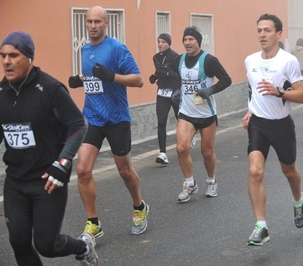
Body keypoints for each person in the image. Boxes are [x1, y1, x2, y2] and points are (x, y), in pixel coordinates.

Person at [0, 32, 98, 265]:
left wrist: (62, 163)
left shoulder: (50, 88)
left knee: (47, 245)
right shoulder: (2, 92)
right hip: (15, 180)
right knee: (19, 242)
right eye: (3, 56)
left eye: (13, 55)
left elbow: (78, 124)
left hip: (47, 178)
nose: (6, 61)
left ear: (29, 58)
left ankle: (83, 246)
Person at [68, 6, 149, 238]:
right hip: (93, 117)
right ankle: (94, 222)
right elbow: (95, 78)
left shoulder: (117, 49)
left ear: (106, 24)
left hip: (116, 119)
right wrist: (81, 81)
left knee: (125, 171)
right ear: (86, 23)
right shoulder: (83, 49)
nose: (93, 26)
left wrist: (111, 76)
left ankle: (139, 207)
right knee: (83, 170)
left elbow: (139, 80)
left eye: (97, 22)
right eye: (89, 21)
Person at [242, 14, 303, 246]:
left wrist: (279, 92)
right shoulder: (250, 60)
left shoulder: (288, 61)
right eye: (259, 30)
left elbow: (302, 95)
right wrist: (250, 109)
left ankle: (298, 201)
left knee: (290, 172)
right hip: (258, 124)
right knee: (255, 172)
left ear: (278, 34)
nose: (262, 34)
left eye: (267, 30)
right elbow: (253, 90)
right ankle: (262, 226)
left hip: (281, 125)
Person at [170, 26, 231, 202]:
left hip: (206, 114)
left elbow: (227, 80)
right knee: (181, 148)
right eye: (185, 40)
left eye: (191, 40)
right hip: (186, 112)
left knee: (207, 152)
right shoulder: (179, 60)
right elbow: (180, 80)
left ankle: (211, 181)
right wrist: (177, 91)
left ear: (198, 41)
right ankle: (189, 183)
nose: (187, 43)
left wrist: (210, 90)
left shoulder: (209, 60)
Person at [149, 33, 180, 164]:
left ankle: (189, 137)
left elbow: (179, 75)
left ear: (169, 43)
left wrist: (167, 73)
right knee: (161, 122)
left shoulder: (175, 57)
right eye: (158, 41)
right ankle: (162, 153)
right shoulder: (155, 57)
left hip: (174, 93)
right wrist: (154, 77)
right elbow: (158, 70)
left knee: (182, 120)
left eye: (163, 42)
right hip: (162, 93)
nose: (160, 44)